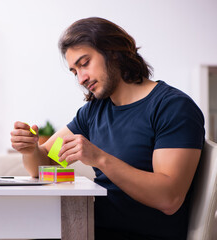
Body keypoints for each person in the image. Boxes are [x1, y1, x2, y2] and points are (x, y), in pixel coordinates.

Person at [10, 17, 205, 240]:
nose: (81, 78)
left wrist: (100, 158)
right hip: (88, 228)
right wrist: (30, 149)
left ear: (114, 52)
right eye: (75, 72)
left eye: (85, 63)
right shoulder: (94, 112)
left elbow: (169, 198)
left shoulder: (172, 107)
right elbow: (44, 164)